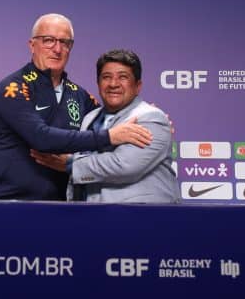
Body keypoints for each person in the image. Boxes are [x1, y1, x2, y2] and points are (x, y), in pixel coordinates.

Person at [0, 14, 153, 201]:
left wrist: (145, 117)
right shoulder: (14, 87)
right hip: (7, 201)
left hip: (59, 205)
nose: (57, 49)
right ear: (32, 45)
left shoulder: (80, 95)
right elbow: (41, 137)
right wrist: (109, 136)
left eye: (64, 42)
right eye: (48, 40)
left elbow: (110, 121)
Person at [31, 49, 180, 203]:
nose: (113, 84)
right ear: (98, 83)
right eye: (106, 77)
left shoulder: (151, 118)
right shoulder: (90, 118)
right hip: (93, 213)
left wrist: (70, 164)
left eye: (123, 77)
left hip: (141, 214)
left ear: (138, 86)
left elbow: (124, 166)